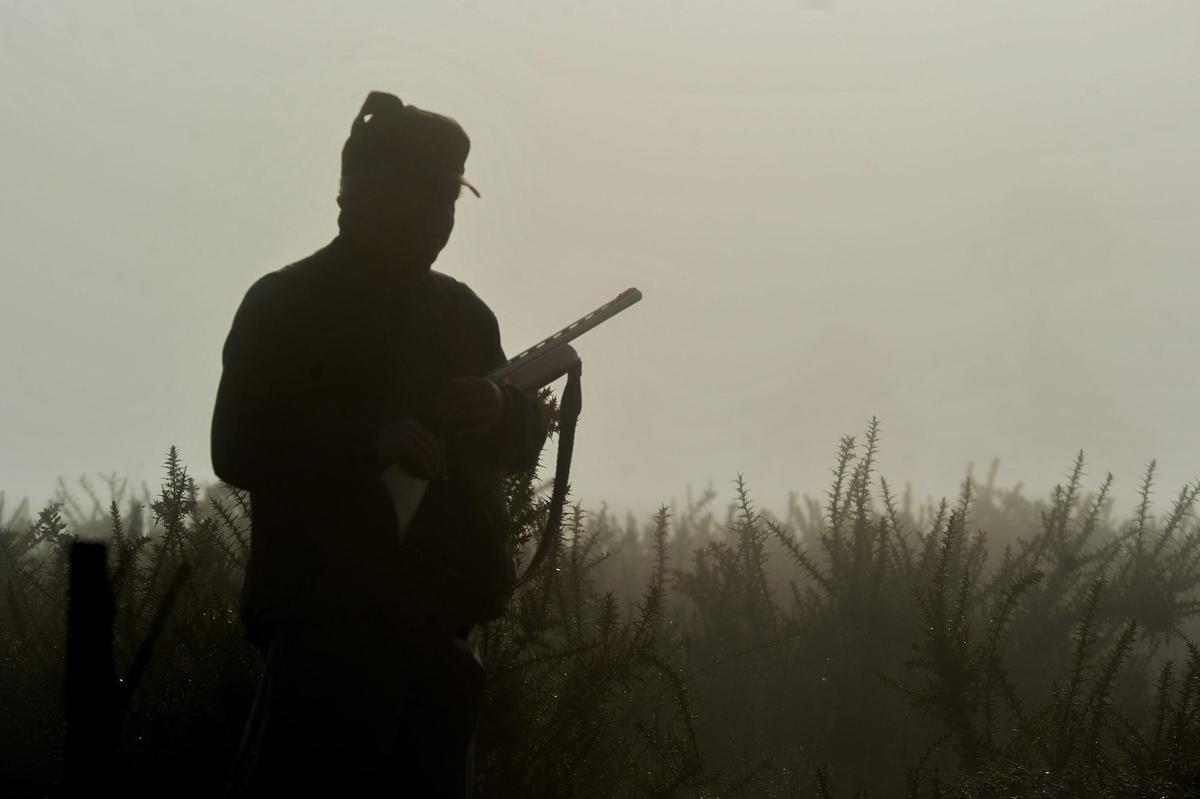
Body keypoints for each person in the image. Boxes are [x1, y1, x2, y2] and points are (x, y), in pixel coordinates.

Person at [212, 90, 547, 796]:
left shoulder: (463, 314)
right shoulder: (285, 303)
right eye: (421, 197)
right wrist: (367, 445)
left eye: (447, 201)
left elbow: (515, 449)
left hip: (442, 637)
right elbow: (237, 445)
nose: (438, 218)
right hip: (323, 639)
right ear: (360, 195)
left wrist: (503, 410)